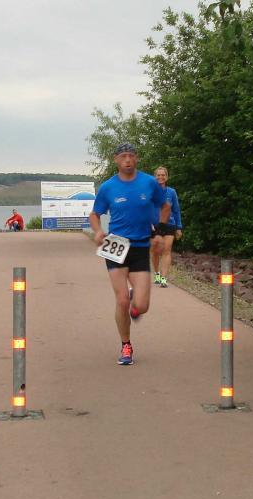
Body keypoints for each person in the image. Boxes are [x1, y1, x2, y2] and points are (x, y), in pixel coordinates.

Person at [89, 143, 170, 366]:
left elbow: (165, 207)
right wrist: (98, 231)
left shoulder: (149, 182)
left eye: (131, 155)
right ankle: (126, 345)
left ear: (136, 158)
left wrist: (159, 232)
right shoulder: (108, 187)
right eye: (123, 156)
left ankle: (136, 302)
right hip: (115, 244)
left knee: (142, 306)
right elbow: (95, 214)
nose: (127, 159)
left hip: (141, 246)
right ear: (116, 159)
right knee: (122, 300)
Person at [150, 166, 183, 288]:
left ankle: (164, 278)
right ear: (155, 177)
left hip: (169, 224)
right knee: (154, 251)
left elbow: (176, 210)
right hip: (154, 225)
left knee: (166, 250)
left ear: (167, 177)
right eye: (158, 175)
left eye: (163, 175)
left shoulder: (171, 192)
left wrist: (178, 227)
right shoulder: (150, 192)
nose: (160, 177)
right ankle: (157, 274)